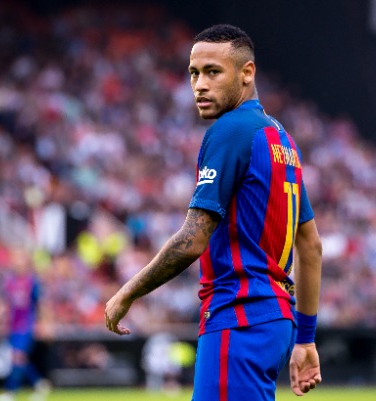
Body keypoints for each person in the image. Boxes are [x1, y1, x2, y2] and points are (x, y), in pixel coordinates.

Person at [105, 24, 322, 400]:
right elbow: (311, 246)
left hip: (239, 315)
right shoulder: (280, 138)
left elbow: (192, 240)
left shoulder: (231, 130)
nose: (199, 85)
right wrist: (304, 338)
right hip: (274, 320)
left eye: (212, 72)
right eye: (193, 73)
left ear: (247, 73)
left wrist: (127, 293)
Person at [0, 249, 51, 401]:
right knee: (20, 359)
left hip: (26, 325)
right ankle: (40, 383)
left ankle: (10, 391)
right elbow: (4, 304)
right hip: (12, 325)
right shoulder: (10, 282)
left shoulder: (32, 282)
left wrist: (44, 323)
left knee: (18, 357)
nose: (17, 264)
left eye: (20, 261)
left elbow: (41, 304)